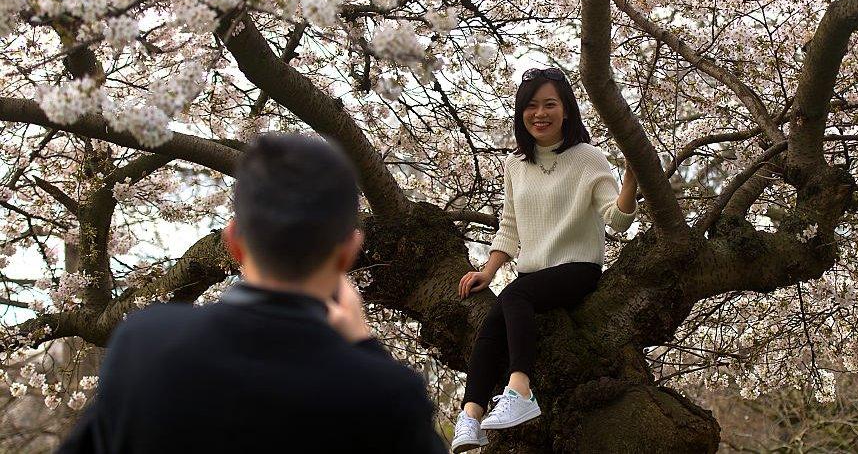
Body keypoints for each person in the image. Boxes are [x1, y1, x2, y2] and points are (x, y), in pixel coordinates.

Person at [59, 133, 446, 454]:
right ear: (349, 248)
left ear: (233, 242)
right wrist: (363, 346)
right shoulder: (385, 395)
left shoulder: (144, 342)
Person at [450, 67, 638, 453]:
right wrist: (488, 270)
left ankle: (520, 390)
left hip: (577, 269)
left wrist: (633, 182)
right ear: (522, 114)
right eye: (531, 106)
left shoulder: (588, 158)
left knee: (514, 298)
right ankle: (471, 416)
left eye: (550, 104)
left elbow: (617, 221)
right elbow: (511, 226)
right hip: (533, 278)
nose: (540, 113)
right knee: (494, 322)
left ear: (566, 110)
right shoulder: (516, 164)